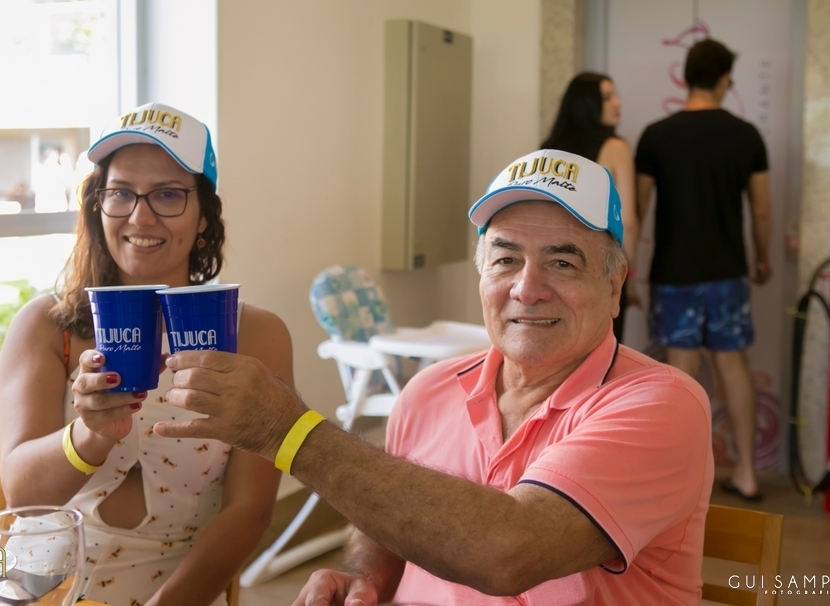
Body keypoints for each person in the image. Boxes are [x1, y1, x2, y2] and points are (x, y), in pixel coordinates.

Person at [153, 149, 715, 605]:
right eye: (505, 259)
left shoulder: (662, 404)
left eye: (562, 263)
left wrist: (287, 431)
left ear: (615, 287)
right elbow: (387, 519)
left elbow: (509, 551)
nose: (526, 288)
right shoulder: (428, 391)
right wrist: (365, 575)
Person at [0, 102, 293, 606]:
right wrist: (90, 432)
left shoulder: (256, 335)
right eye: (121, 193)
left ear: (204, 216)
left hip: (174, 587)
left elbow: (249, 511)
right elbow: (23, 496)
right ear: (98, 207)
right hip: (44, 581)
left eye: (168, 194)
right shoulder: (46, 325)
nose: (140, 215)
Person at [635, 38, 772, 503]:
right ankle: (747, 473)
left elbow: (637, 208)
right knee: (733, 365)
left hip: (674, 271)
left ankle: (683, 481)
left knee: (681, 373)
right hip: (728, 271)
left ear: (686, 77)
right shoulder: (746, 135)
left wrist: (627, 266)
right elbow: (762, 209)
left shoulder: (656, 136)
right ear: (723, 79)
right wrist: (762, 258)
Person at [542, 72, 640, 340]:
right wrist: (629, 275)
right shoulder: (615, 148)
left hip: (554, 264)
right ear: (587, 105)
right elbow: (628, 222)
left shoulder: (548, 149)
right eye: (607, 97)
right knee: (602, 348)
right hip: (601, 266)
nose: (618, 103)